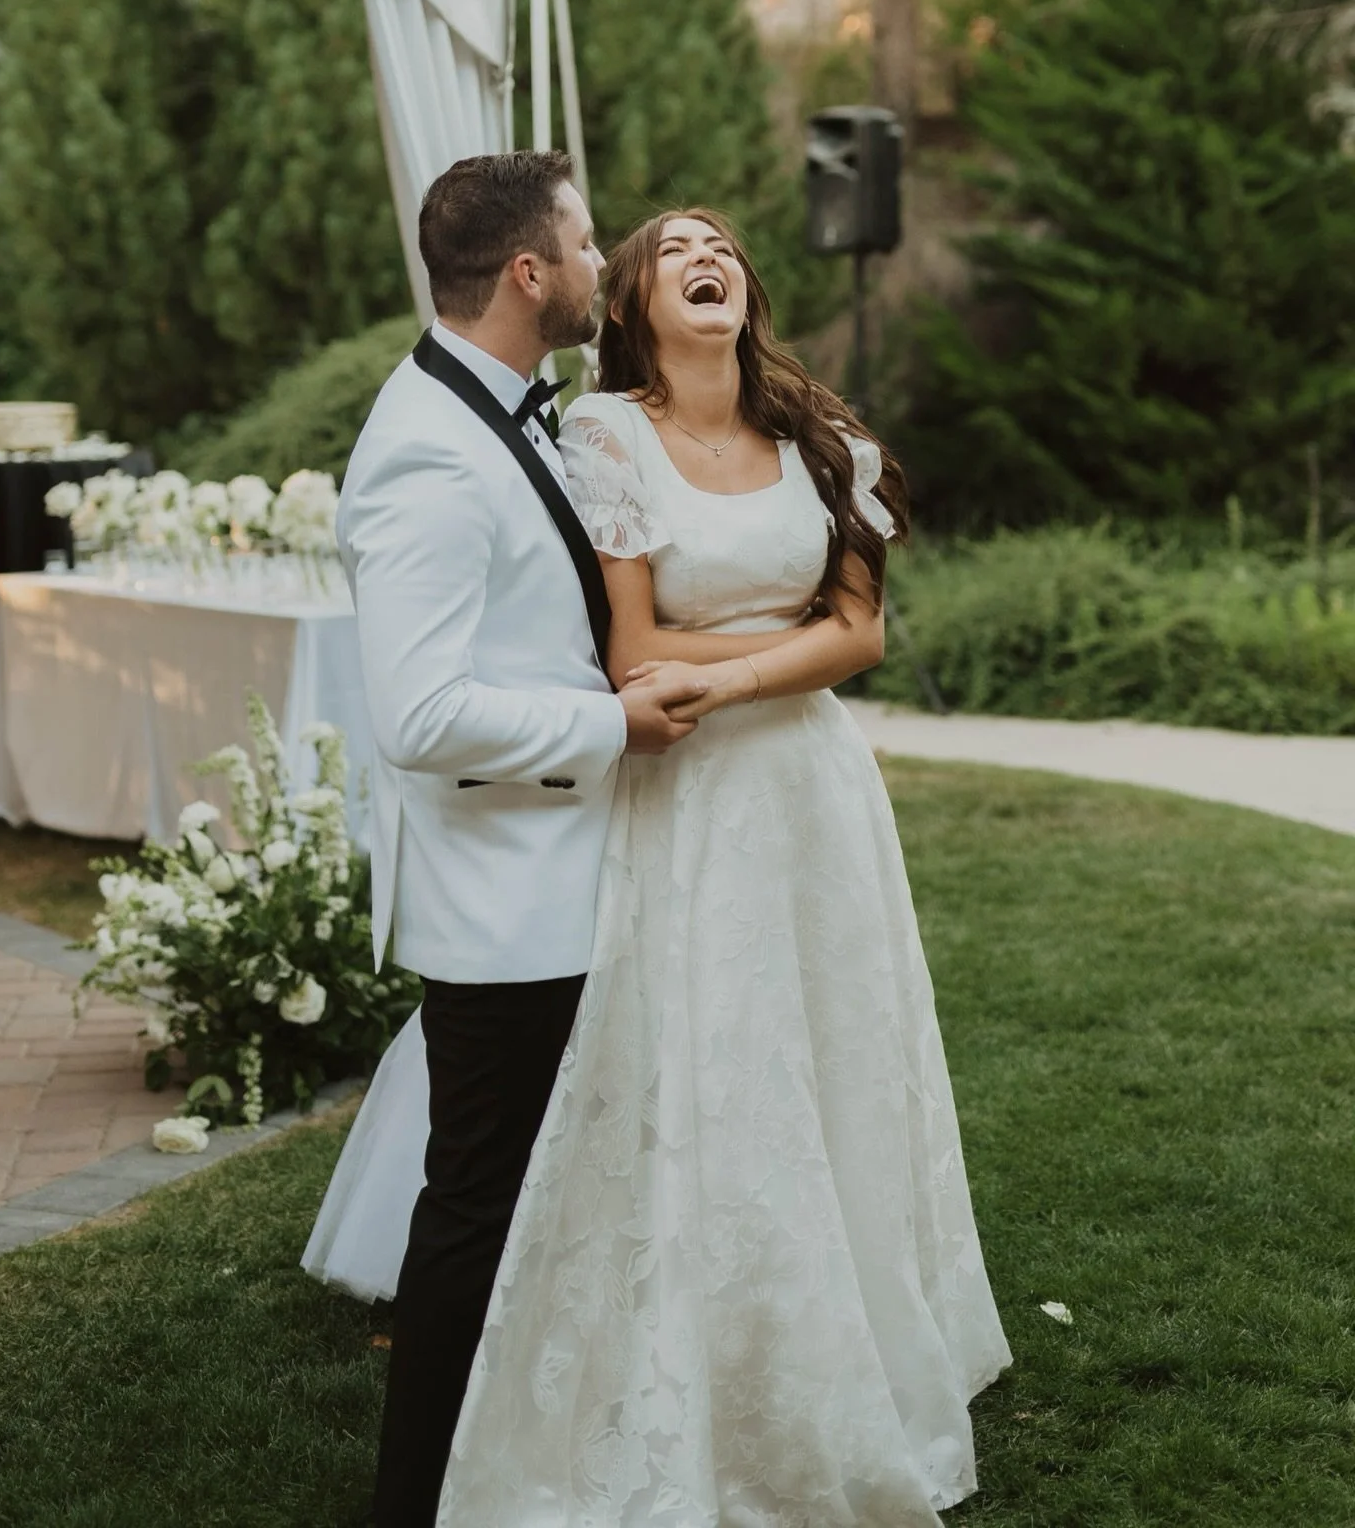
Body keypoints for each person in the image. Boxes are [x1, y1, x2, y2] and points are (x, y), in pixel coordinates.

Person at [430, 206, 1013, 1524]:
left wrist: (745, 664)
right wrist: (774, 650)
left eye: (725, 248)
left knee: (838, 1056)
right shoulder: (608, 436)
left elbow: (858, 633)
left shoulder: (832, 444)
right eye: (671, 249)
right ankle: (712, 1360)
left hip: (812, 789)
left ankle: (855, 1340)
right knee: (708, 1063)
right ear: (630, 301)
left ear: (746, 290)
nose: (707, 258)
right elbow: (632, 653)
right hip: (688, 794)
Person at [330, 151, 708, 1528]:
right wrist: (614, 730)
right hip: (506, 905)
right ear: (530, 273)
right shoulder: (426, 451)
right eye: (590, 241)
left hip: (555, 880)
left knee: (540, 1207)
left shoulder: (506, 409)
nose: (608, 264)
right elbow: (421, 713)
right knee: (481, 1215)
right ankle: (422, 1497)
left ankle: (536, 1462)